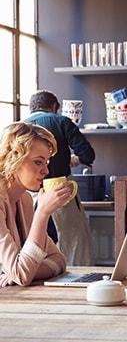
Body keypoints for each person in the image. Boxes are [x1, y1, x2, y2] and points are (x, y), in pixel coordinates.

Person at [24, 90, 95, 266]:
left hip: (28, 196)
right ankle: (76, 280)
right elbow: (87, 154)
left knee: (35, 243)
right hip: (61, 192)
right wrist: (75, 159)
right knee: (75, 241)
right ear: (54, 107)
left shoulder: (20, 127)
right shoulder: (61, 121)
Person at [0, 122, 68, 287]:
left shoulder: (25, 199)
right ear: (13, 158)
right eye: (38, 162)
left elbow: (59, 260)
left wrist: (27, 271)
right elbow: (22, 275)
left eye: (46, 162)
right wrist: (42, 213)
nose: (46, 171)